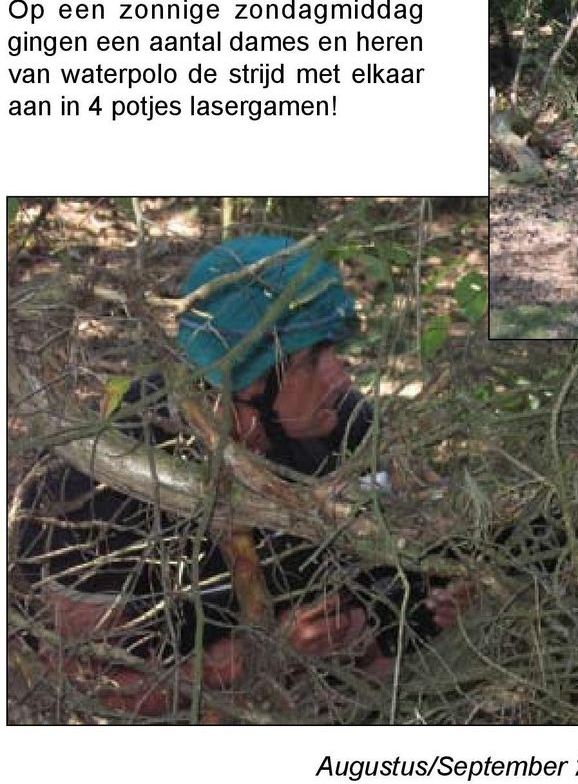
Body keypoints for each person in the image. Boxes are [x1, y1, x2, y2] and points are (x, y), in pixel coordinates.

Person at [16, 237, 469, 717]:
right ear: (249, 380)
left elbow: (439, 535)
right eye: (315, 359)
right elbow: (87, 681)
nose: (341, 376)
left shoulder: (340, 425)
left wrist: (449, 593)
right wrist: (262, 654)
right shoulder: (97, 494)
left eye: (334, 352)